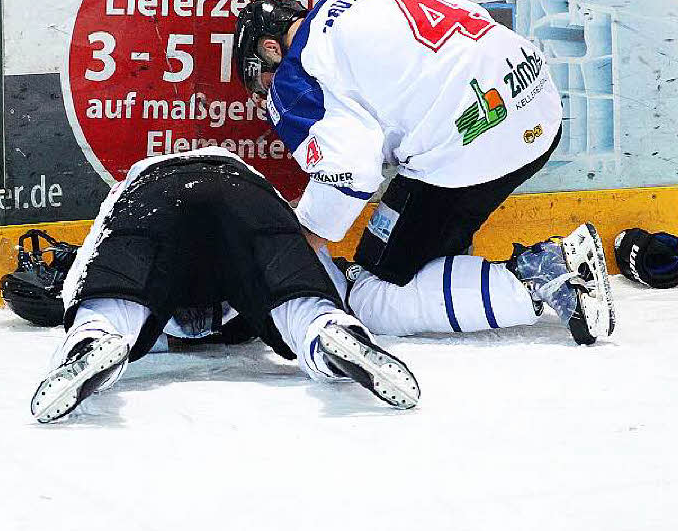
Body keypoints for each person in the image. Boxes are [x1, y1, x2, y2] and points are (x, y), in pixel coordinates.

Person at [233, 0, 615, 345]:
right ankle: (451, 258)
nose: (263, 93)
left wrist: (290, 250)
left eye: (257, 78)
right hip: (537, 100)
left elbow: (351, 172)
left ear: (270, 47)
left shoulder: (294, 75)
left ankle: (543, 273)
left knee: (371, 293)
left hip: (474, 139)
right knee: (423, 236)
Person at [30, 147, 420, 424]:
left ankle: (93, 338)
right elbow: (307, 266)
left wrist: (78, 307)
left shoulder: (128, 196)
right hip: (246, 192)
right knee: (298, 303)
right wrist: (330, 300)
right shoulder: (241, 307)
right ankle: (327, 333)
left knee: (114, 300)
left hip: (155, 190)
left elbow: (89, 272)